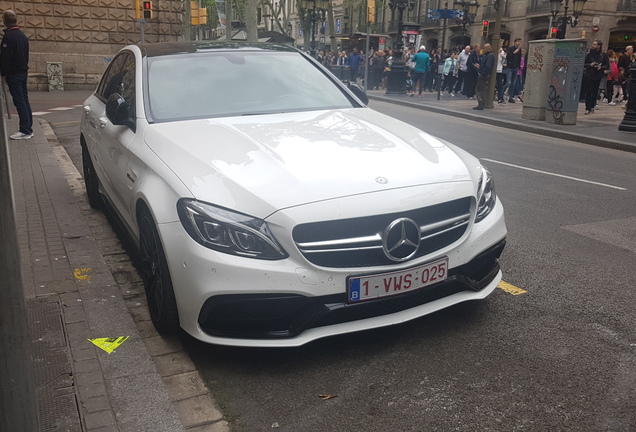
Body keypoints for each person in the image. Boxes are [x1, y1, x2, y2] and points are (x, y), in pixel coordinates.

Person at [1, 10, 33, 140]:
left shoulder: (9, 37)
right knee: (24, 100)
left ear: (5, 21)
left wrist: (3, 73)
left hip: (14, 73)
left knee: (19, 101)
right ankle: (29, 128)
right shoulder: (22, 36)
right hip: (23, 72)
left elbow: (5, 58)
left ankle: (25, 130)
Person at [583, 40, 609, 115]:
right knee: (588, 91)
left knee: (595, 91)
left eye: (595, 44)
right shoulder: (589, 55)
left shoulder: (603, 55)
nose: (593, 45)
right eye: (593, 44)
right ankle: (587, 107)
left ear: (599, 46)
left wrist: (601, 67)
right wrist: (590, 65)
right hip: (589, 74)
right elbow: (584, 64)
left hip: (598, 75)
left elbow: (607, 65)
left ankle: (592, 106)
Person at [473, 43, 494, 110]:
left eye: (484, 48)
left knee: (479, 89)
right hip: (484, 73)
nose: (483, 49)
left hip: (484, 75)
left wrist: (482, 73)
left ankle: (481, 102)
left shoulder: (490, 56)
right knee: (481, 89)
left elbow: (487, 66)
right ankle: (482, 102)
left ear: (488, 49)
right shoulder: (487, 55)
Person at [503, 38, 522, 103]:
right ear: (515, 42)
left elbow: (519, 59)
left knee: (513, 83)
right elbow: (508, 57)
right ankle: (502, 93)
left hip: (515, 68)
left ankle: (510, 97)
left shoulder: (519, 50)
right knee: (509, 82)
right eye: (518, 41)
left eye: (520, 42)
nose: (519, 43)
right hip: (510, 68)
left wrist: (518, 66)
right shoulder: (510, 49)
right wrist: (514, 53)